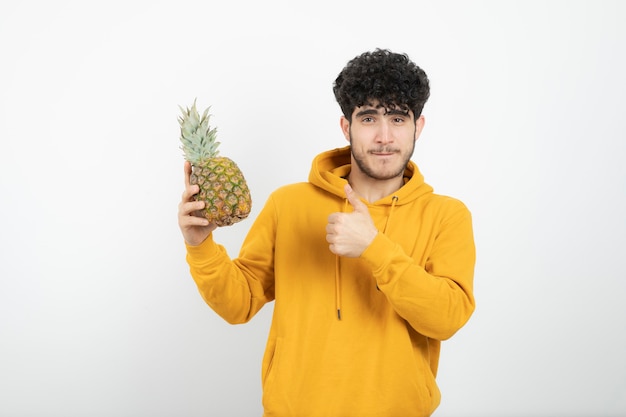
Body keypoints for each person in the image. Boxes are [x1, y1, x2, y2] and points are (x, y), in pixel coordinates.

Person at [178, 48, 476, 417]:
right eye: (368, 118)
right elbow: (239, 305)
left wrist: (375, 248)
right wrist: (201, 246)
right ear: (346, 127)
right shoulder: (288, 204)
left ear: (418, 126)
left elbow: (447, 318)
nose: (384, 136)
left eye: (398, 119)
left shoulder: (447, 215)